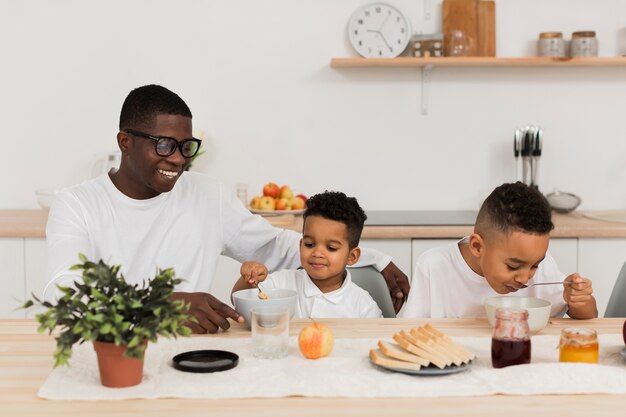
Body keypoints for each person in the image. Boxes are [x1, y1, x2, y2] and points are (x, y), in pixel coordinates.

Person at [44, 84, 409, 333]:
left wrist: (373, 258)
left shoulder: (207, 195)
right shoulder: (76, 205)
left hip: (191, 353)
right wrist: (163, 305)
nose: (178, 159)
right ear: (125, 141)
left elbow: (279, 248)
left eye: (187, 147)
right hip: (109, 350)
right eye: (164, 145)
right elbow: (63, 292)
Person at [399, 182, 597, 319]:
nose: (524, 278)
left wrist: (579, 300)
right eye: (513, 266)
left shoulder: (539, 262)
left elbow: (588, 315)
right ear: (477, 246)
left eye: (534, 266)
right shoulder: (434, 266)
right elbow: (412, 331)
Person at [232, 191, 382, 318]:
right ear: (300, 244)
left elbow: (372, 341)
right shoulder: (281, 283)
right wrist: (249, 276)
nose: (317, 253)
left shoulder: (363, 305)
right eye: (309, 244)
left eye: (331, 248)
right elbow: (238, 299)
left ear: (352, 257)